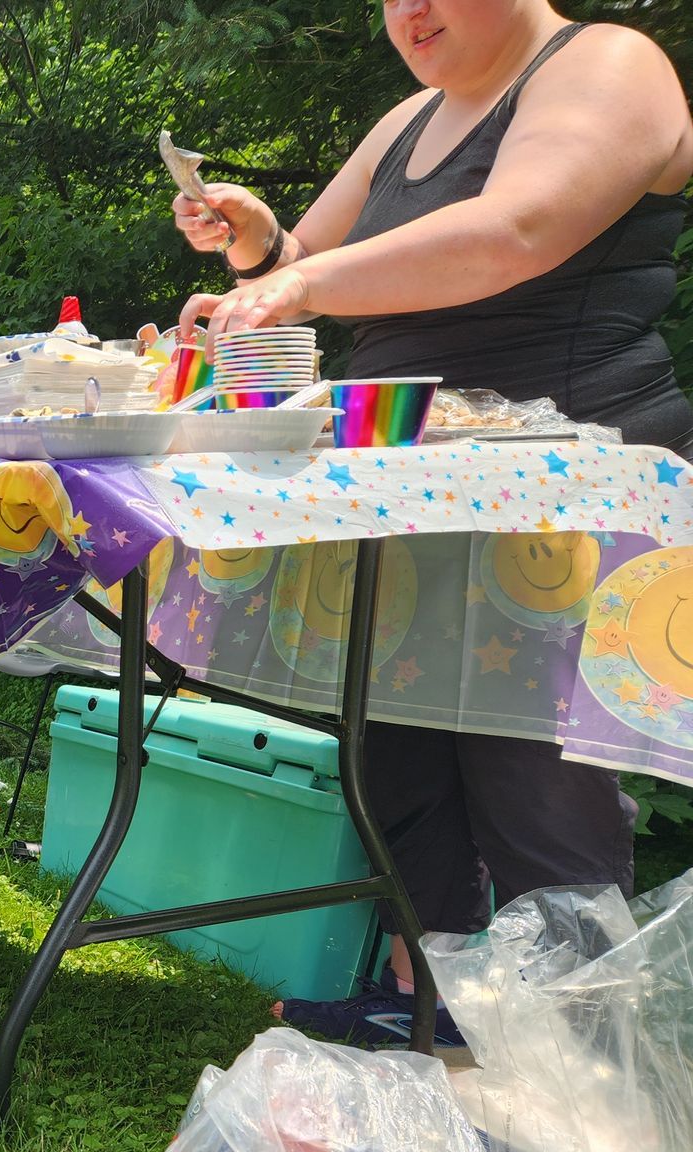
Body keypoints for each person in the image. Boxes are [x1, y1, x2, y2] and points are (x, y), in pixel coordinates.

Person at [173, 0, 693, 1044]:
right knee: (396, 755)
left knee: (538, 784)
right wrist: (260, 246)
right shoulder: (411, 120)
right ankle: (430, 1006)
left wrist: (302, 282)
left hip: (563, 492)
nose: (409, 9)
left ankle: (574, 1061)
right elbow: (297, 267)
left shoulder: (610, 63)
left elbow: (516, 231)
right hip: (404, 484)